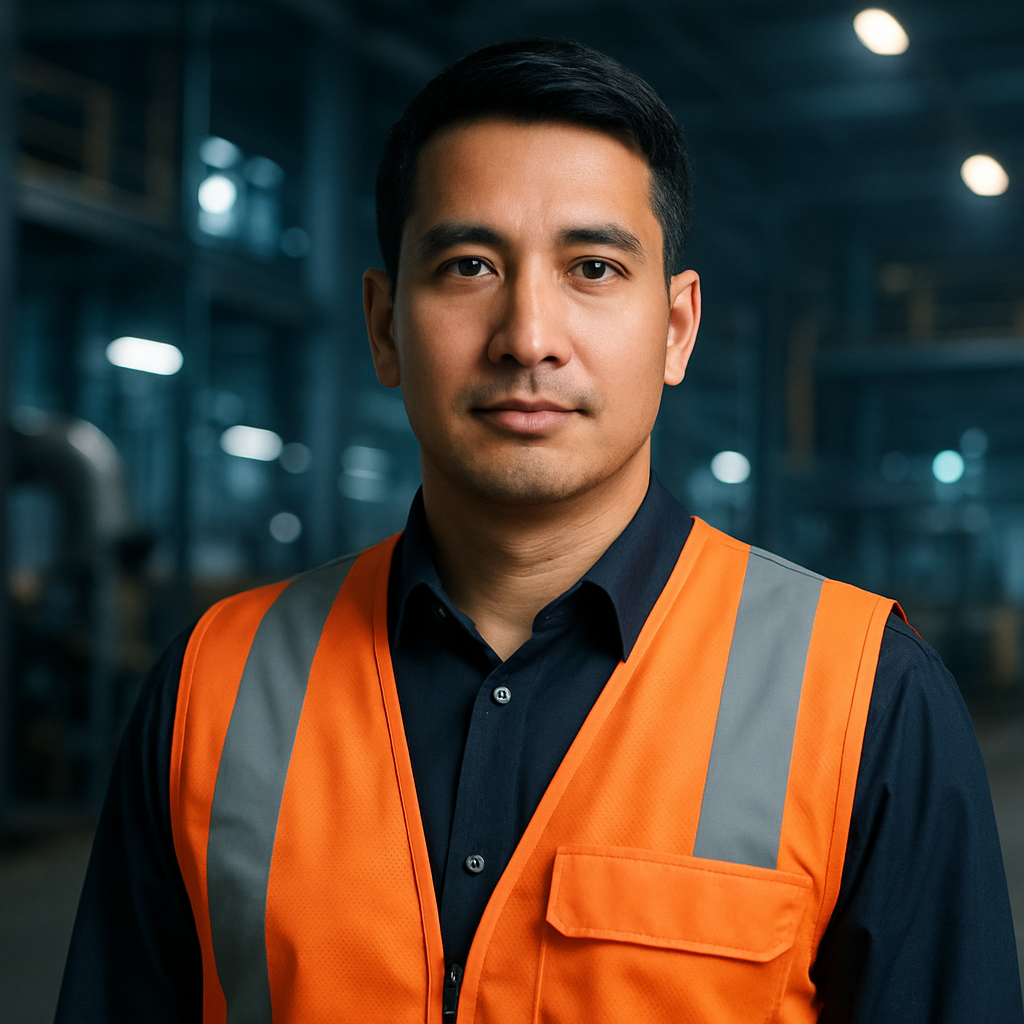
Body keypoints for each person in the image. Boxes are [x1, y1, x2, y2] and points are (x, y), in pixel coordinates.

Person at [56, 39, 1022, 1024]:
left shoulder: (869, 700)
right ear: (385, 325)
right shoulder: (213, 688)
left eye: (592, 267)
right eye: (469, 265)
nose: (527, 334)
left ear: (677, 328)